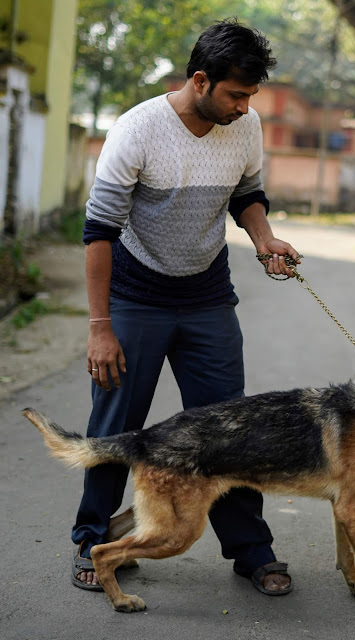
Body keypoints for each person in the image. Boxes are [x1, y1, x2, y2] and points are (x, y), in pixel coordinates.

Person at [72, 18, 300, 596]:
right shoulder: (137, 130)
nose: (246, 108)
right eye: (236, 94)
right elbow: (99, 230)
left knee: (233, 429)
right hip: (133, 298)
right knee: (117, 427)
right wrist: (100, 326)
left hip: (206, 297)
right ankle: (92, 542)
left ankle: (252, 552)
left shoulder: (245, 127)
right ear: (200, 80)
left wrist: (264, 238)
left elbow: (246, 195)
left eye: (251, 95)